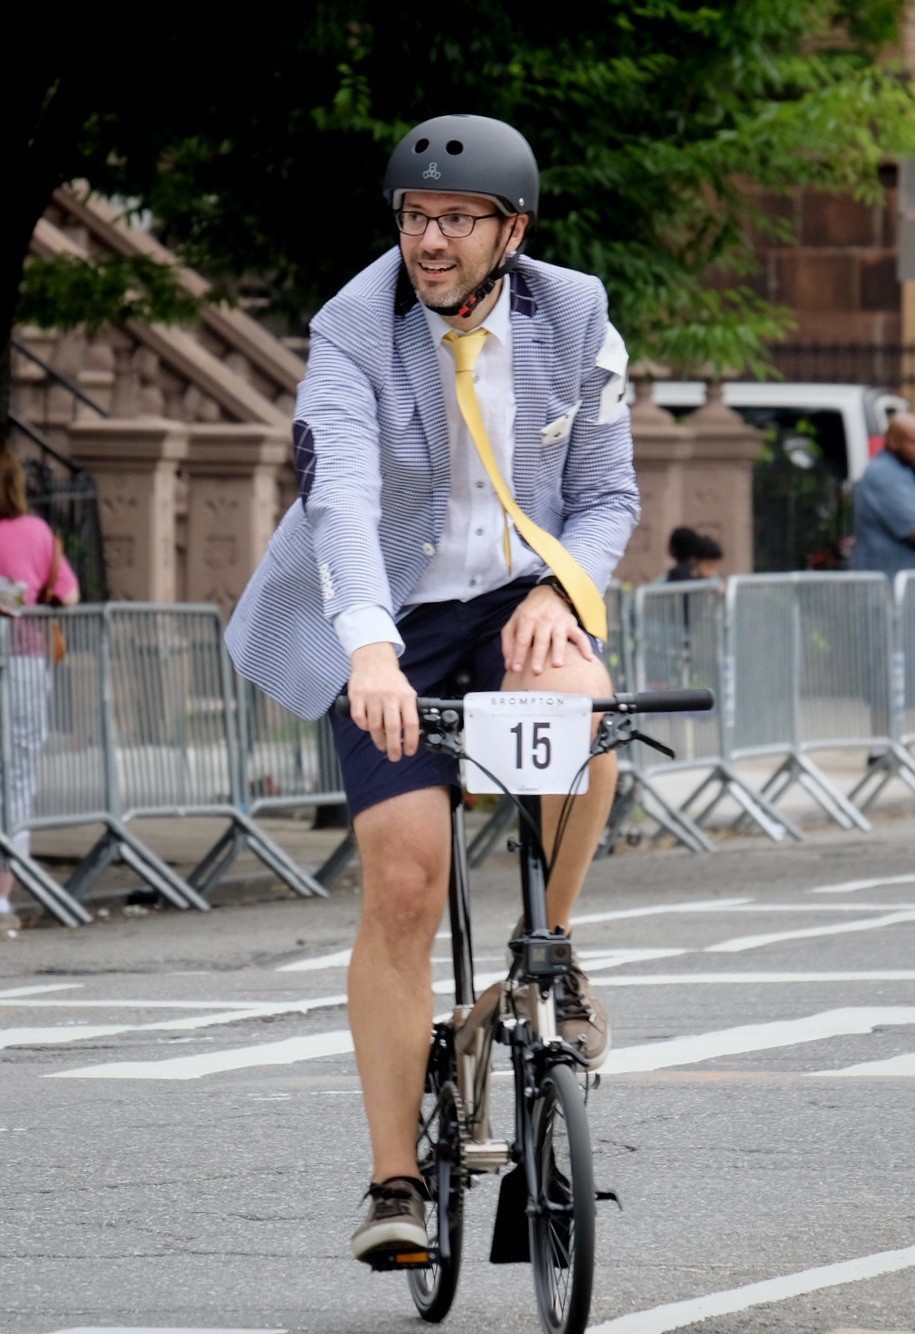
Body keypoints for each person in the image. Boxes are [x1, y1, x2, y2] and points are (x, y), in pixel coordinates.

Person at [224, 113, 639, 1263]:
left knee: (585, 708)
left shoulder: (577, 314)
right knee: (405, 881)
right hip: (389, 612)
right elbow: (341, 500)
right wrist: (368, 649)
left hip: (513, 595)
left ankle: (551, 947)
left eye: (458, 218)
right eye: (416, 217)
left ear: (513, 231)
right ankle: (394, 1179)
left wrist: (560, 589)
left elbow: (608, 495)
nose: (432, 240)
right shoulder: (354, 327)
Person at [0, 448, 80, 932]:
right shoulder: (36, 533)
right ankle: (4, 888)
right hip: (25, 659)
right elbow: (69, 595)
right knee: (19, 772)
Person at [850, 412, 915, 580]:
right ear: (893, 441)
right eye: (913, 441)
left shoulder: (905, 471)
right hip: (887, 588)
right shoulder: (884, 474)